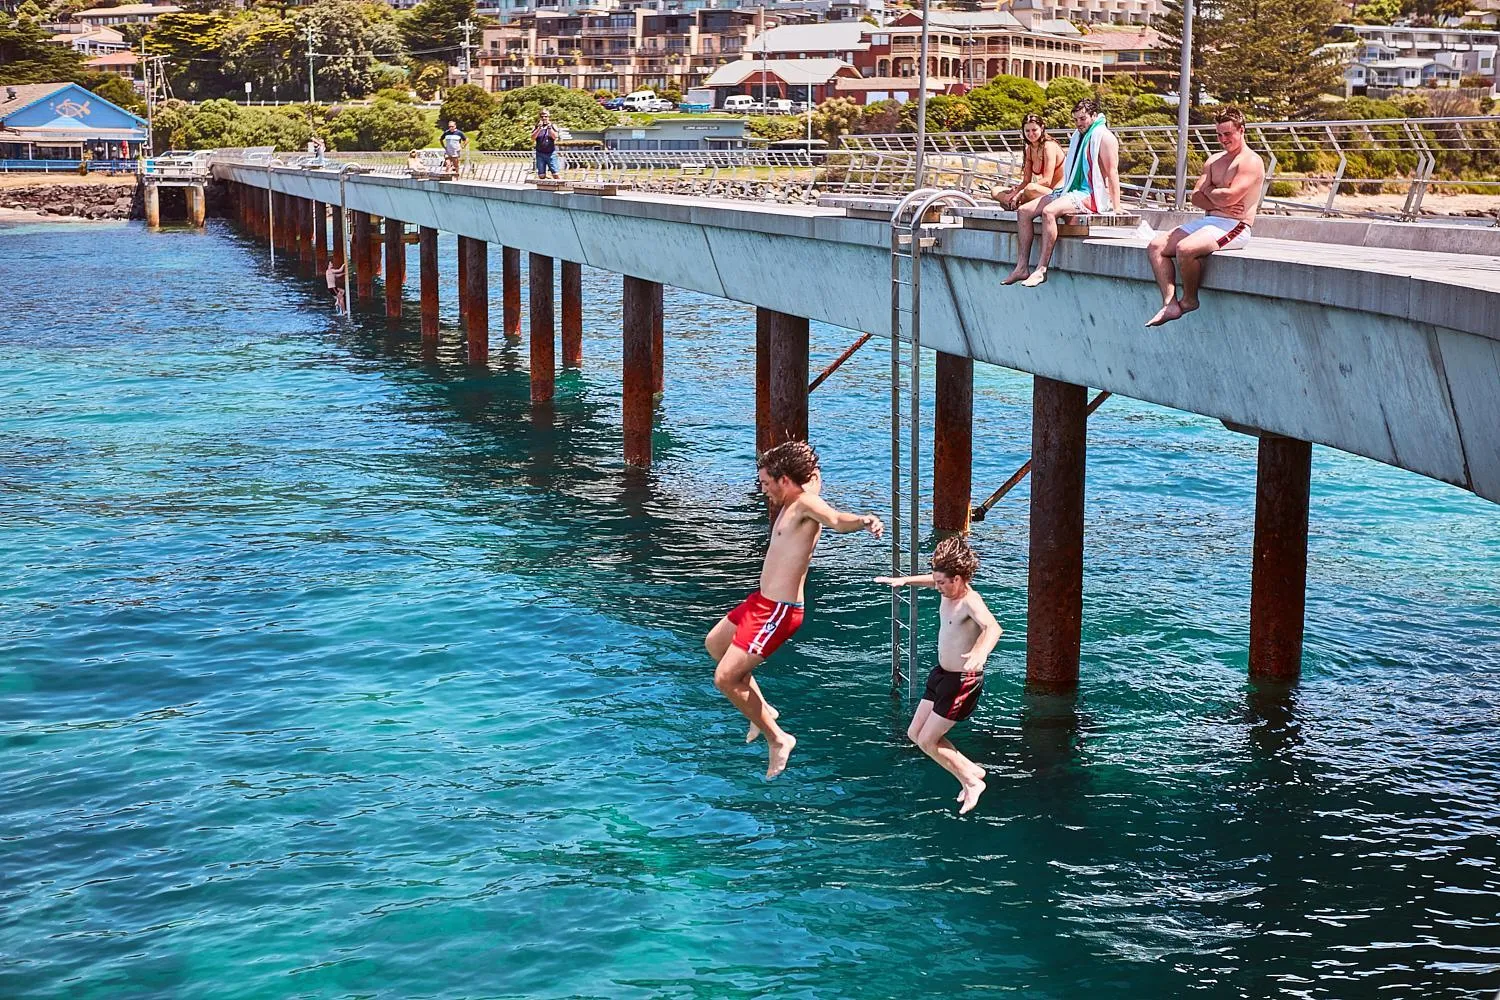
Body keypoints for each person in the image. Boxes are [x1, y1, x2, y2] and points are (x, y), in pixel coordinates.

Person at [704, 441, 884, 779]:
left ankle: (778, 739)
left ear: (785, 480)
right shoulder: (794, 499)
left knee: (725, 678)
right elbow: (813, 477)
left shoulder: (805, 503)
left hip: (778, 611)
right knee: (715, 644)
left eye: (766, 483)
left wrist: (863, 520)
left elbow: (836, 519)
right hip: (760, 601)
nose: (763, 489)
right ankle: (762, 710)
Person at [876, 536, 1001, 815]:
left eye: (942, 583)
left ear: (958, 579)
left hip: (961, 682)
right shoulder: (947, 589)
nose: (937, 587)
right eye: (936, 581)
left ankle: (970, 782)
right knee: (914, 733)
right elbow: (931, 580)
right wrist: (905, 581)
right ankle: (971, 771)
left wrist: (980, 653)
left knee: (928, 740)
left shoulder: (970, 600)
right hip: (941, 675)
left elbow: (993, 628)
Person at [1144, 106, 1266, 327]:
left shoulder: (1251, 161)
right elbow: (1196, 198)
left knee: (1186, 249)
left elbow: (1230, 197)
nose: (1223, 139)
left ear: (1242, 130)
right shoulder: (1213, 161)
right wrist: (1215, 196)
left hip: (1235, 225)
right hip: (1209, 221)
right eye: (1219, 134)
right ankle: (1170, 303)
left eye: (1228, 134)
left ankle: (1190, 300)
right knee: (1155, 246)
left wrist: (1211, 193)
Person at [1004, 98, 1121, 289]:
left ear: (1093, 115)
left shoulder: (1104, 137)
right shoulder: (1079, 135)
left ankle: (1041, 269)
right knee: (1024, 211)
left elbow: (1112, 172)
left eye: (1082, 119)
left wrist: (1117, 207)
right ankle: (1022, 267)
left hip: (1089, 194)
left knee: (1049, 212)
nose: (1079, 124)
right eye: (1075, 120)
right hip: (1070, 190)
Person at [996, 113, 1064, 212]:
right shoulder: (1029, 149)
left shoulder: (1049, 146)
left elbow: (1047, 181)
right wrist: (1014, 193)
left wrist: (1021, 192)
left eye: (1034, 130)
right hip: (1040, 192)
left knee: (1031, 188)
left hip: (1057, 192)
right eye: (1027, 131)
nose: (1031, 134)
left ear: (1042, 128)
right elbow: (1026, 181)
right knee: (996, 191)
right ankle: (1014, 202)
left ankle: (1018, 203)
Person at [532, 109, 562, 179]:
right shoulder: (536, 126)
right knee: (541, 176)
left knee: (556, 174)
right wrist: (539, 129)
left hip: (551, 153)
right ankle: (547, 179)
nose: (544, 118)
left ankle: (561, 185)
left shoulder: (553, 126)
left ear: (548, 117)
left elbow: (555, 137)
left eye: (545, 116)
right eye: (542, 117)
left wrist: (549, 128)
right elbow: (533, 137)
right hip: (540, 153)